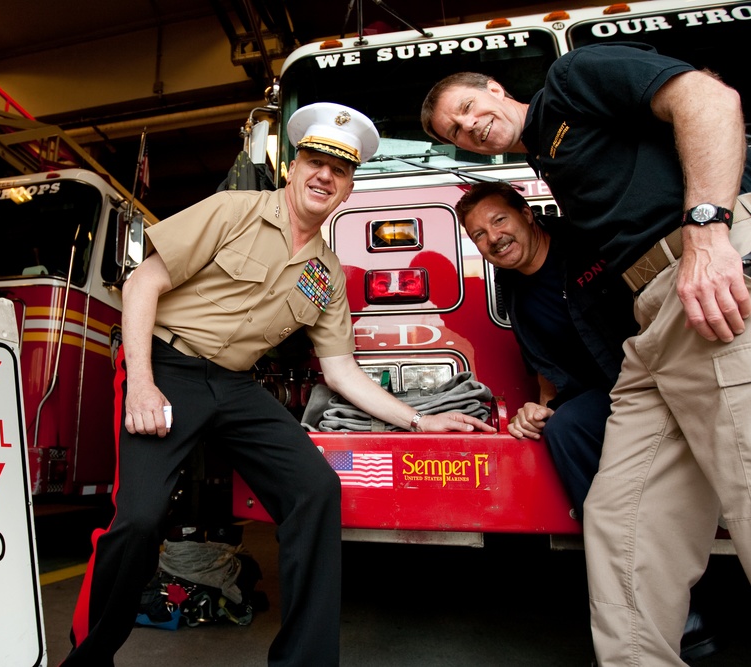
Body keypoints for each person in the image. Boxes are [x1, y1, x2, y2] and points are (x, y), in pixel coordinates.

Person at [62, 102, 496, 667]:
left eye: (338, 171)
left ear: (347, 190)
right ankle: (88, 658)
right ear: (293, 167)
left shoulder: (327, 273)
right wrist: (142, 384)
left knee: (315, 492)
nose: (324, 176)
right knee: (139, 519)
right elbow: (144, 283)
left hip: (237, 386)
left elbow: (341, 371)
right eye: (315, 161)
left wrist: (420, 419)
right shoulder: (232, 209)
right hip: (167, 367)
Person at [422, 43, 751, 665]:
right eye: (455, 132)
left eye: (467, 107)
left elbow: (708, 98)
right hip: (650, 331)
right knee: (617, 516)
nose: (468, 127)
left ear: (496, 88)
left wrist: (708, 234)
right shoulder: (551, 160)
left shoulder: (571, 78)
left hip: (701, 280)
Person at [455, 181, 636, 520]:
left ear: (527, 213)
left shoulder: (589, 240)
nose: (493, 238)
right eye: (479, 234)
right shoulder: (512, 289)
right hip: (603, 396)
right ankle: (612, 533)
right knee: (564, 425)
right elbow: (544, 364)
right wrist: (538, 412)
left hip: (651, 376)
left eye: (499, 220)